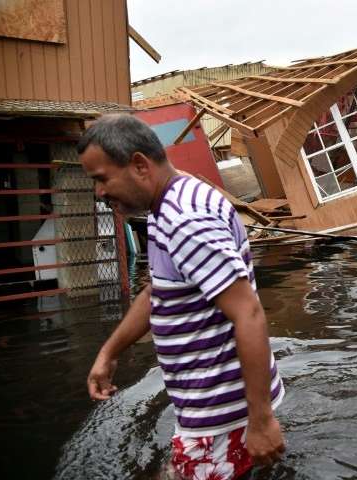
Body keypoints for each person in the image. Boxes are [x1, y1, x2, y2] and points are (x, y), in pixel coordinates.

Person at [80, 114, 285, 480]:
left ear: (139, 165)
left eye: (101, 179)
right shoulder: (168, 204)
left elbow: (248, 314)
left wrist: (261, 420)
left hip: (219, 412)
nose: (100, 192)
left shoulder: (185, 221)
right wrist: (108, 353)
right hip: (214, 403)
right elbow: (158, 289)